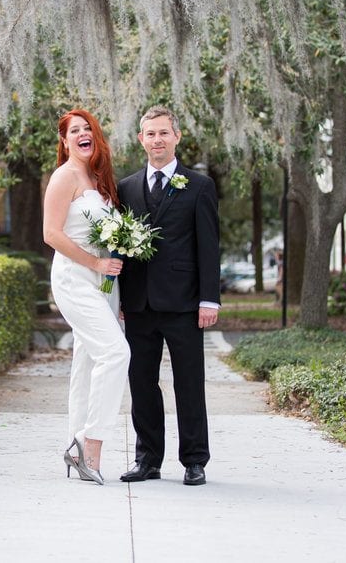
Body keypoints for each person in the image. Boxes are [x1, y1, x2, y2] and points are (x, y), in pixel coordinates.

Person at [116, 106, 220, 486]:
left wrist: (210, 300)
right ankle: (148, 460)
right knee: (141, 381)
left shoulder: (199, 186)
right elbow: (120, 247)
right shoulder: (125, 188)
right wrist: (120, 300)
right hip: (139, 304)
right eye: (150, 134)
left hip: (184, 303)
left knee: (188, 382)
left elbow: (209, 247)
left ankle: (195, 460)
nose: (157, 140)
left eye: (163, 133)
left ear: (177, 137)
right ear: (140, 139)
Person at [43, 109, 131, 486]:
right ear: (65, 142)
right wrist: (95, 261)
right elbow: (51, 233)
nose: (82, 134)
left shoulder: (98, 179)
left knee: (86, 362)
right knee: (117, 353)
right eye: (73, 131)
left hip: (104, 284)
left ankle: (72, 444)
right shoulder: (64, 177)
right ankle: (89, 443)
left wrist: (113, 283)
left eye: (87, 129)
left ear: (95, 137)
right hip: (74, 278)